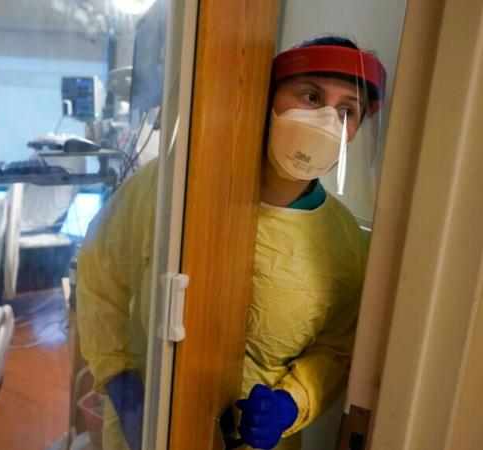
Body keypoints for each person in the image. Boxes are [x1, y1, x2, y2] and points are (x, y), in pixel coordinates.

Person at [77, 35, 386, 450]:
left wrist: (292, 403)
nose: (327, 121)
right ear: (268, 99)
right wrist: (123, 383)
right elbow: (101, 274)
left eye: (347, 110)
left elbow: (336, 347)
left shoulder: (345, 243)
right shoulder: (173, 187)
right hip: (151, 426)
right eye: (311, 96)